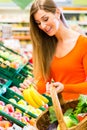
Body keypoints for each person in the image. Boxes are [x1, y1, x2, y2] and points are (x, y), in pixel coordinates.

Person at [20, 0, 87, 101]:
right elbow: (43, 85)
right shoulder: (47, 47)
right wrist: (31, 86)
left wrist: (64, 87)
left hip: (83, 109)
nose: (42, 26)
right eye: (38, 23)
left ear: (57, 13)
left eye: (45, 19)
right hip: (61, 110)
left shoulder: (83, 44)